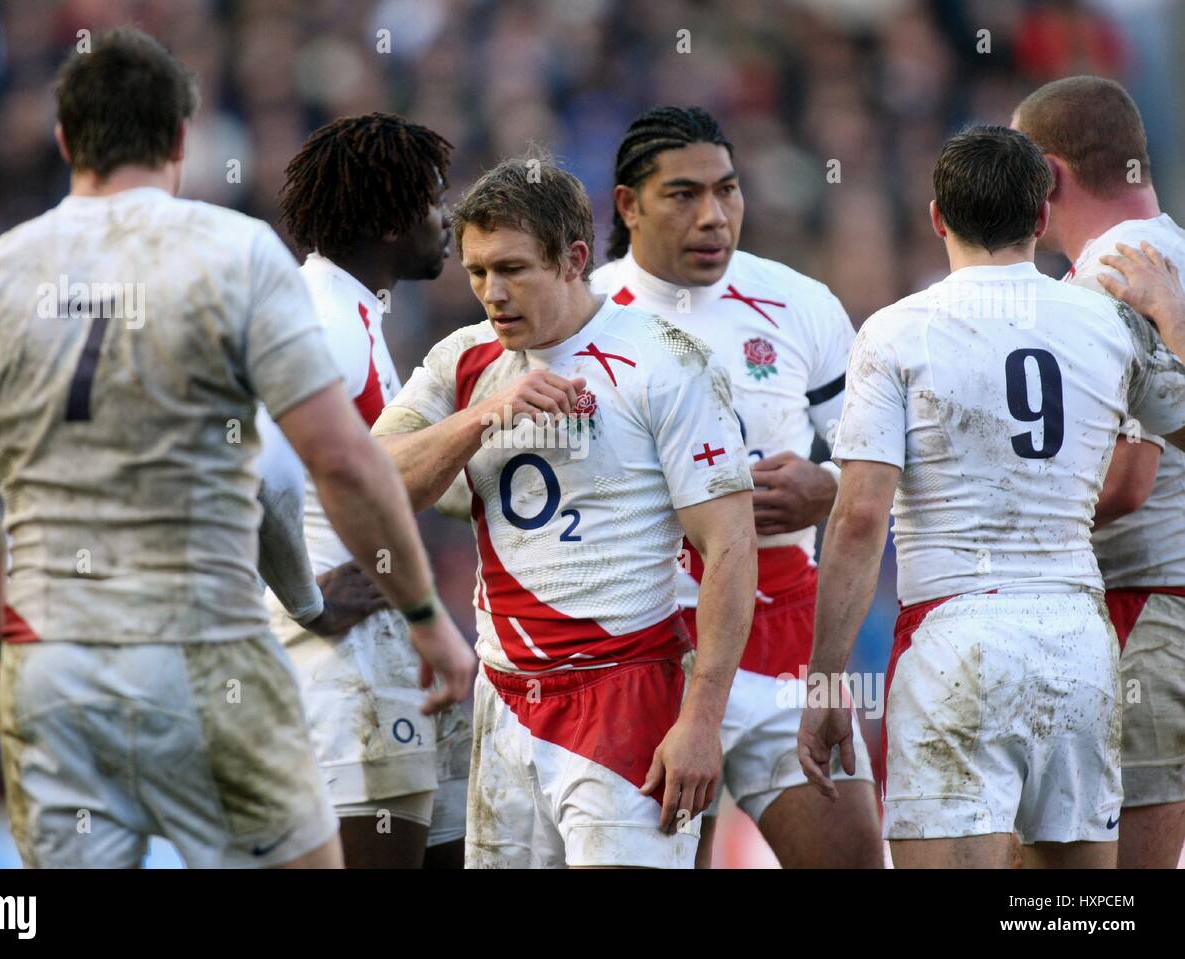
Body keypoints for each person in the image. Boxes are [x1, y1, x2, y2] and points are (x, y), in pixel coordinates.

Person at [0, 27, 473, 869]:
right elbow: (303, 467)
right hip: (209, 649)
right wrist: (382, 609)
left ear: (65, 138)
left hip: (55, 659)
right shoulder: (235, 254)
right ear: (182, 137)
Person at [799, 125, 1185, 869]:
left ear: (937, 216)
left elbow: (858, 519)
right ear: (1041, 217)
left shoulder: (893, 332)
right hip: (1079, 637)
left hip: (955, 636)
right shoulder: (1109, 321)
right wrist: (1172, 320)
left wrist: (824, 678)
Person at [372, 155, 758, 868]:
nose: (493, 292)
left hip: (627, 694)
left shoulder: (669, 361)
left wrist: (702, 719)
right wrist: (483, 417)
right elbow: (372, 484)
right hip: (506, 699)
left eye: (513, 269)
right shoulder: (464, 362)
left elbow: (732, 548)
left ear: (575, 258)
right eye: (478, 270)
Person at [591, 105, 881, 868]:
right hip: (647, 641)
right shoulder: (584, 316)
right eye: (684, 195)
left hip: (786, 630)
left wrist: (823, 489)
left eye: (728, 190)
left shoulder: (798, 301)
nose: (714, 216)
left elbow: (879, 465)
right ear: (629, 205)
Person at [254, 113, 472, 868]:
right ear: (386, 222)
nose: (447, 219)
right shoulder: (325, 319)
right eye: (433, 200)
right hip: (338, 670)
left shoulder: (353, 312)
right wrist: (305, 599)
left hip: (382, 657)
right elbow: (258, 469)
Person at [1013, 76, 1185, 868]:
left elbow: (1126, 481)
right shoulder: (1172, 251)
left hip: (1141, 608)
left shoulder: (1107, 281)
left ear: (1046, 177)